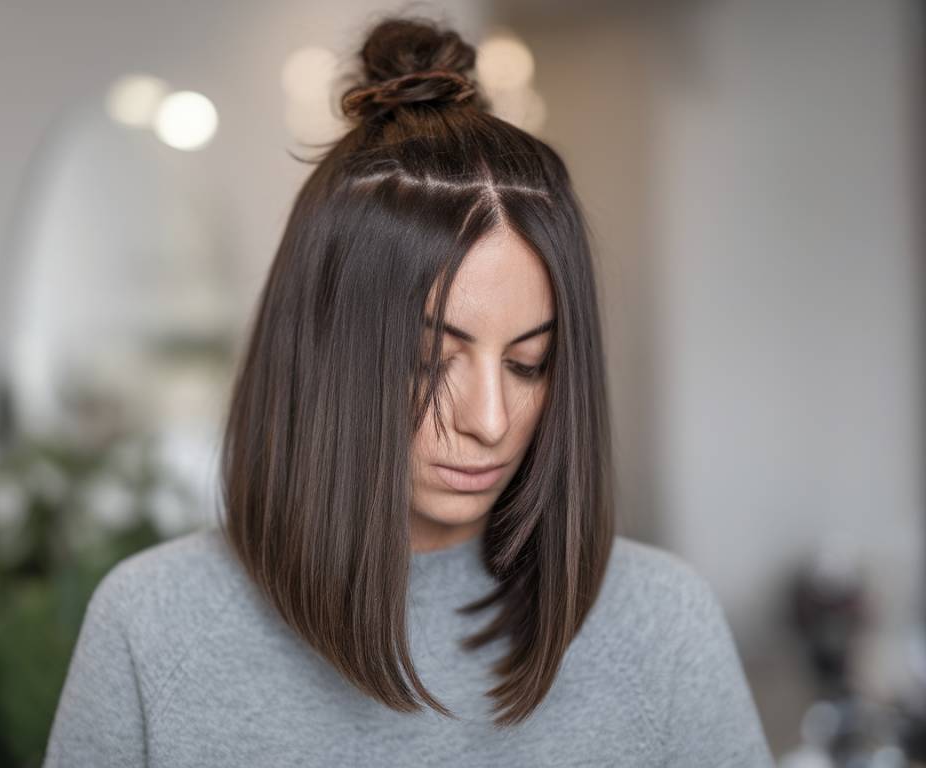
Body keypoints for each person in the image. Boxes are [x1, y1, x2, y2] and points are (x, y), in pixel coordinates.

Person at [43, 14, 775, 767]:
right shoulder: (152, 627)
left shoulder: (664, 624)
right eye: (429, 363)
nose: (491, 421)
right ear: (326, 352)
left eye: (528, 364)